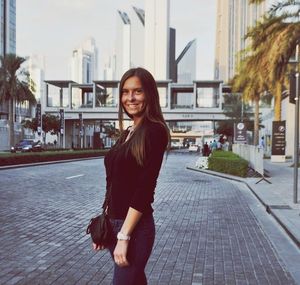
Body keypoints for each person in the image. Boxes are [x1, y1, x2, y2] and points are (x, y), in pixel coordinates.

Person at [93, 67, 170, 285]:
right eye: (125, 92)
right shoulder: (128, 133)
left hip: (134, 229)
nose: (130, 98)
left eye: (137, 91)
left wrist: (124, 235)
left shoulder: (155, 131)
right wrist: (104, 224)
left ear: (150, 94)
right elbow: (114, 182)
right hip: (114, 225)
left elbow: (144, 189)